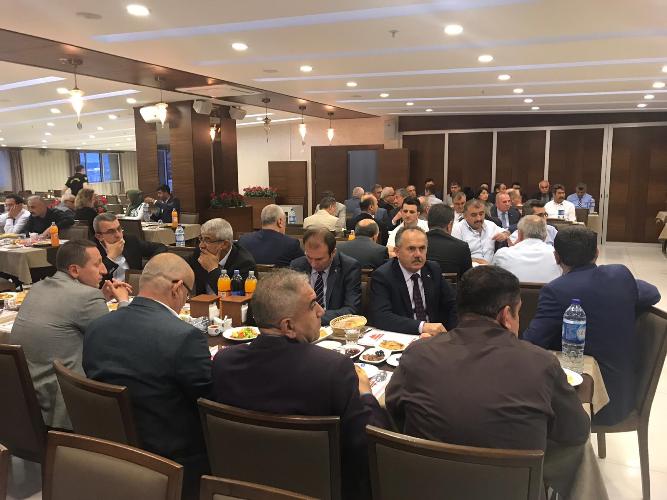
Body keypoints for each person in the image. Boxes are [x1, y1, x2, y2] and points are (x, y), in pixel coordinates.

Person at [385, 266, 592, 498]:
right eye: (518, 313)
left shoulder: (417, 354)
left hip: (425, 488)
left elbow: (393, 411)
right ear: (506, 315)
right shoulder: (542, 363)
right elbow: (577, 431)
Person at [210, 269, 388, 499]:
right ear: (288, 326)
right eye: (313, 305)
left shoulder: (224, 363)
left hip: (242, 488)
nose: (321, 311)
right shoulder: (333, 369)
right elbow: (369, 447)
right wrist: (366, 394)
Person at [83, 254, 211, 499]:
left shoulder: (97, 327)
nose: (185, 299)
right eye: (188, 293)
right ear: (177, 288)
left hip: (109, 444)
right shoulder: (184, 337)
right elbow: (207, 398)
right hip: (170, 454)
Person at [523, 226, 661, 425]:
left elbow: (532, 343)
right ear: (596, 253)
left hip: (583, 399)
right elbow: (653, 294)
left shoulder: (555, 290)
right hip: (623, 396)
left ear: (556, 257)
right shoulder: (619, 275)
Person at [11, 240, 130, 429]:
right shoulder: (87, 296)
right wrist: (123, 302)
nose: (104, 271)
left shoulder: (38, 287)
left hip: (24, 398)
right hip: (63, 402)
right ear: (74, 270)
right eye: (97, 264)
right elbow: (119, 342)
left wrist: (101, 298)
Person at [370, 226, 457, 336]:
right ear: (397, 252)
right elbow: (382, 317)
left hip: (434, 337)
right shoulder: (384, 276)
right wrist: (422, 327)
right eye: (411, 249)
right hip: (403, 337)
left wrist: (452, 335)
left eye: (422, 248)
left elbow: (452, 304)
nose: (418, 254)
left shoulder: (433, 269)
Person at [290, 228, 360, 325]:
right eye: (309, 257)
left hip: (334, 326)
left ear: (333, 253)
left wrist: (312, 317)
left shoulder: (348, 267)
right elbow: (291, 303)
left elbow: (351, 310)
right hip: (302, 326)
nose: (313, 264)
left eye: (319, 259)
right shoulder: (297, 265)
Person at [187, 218, 256, 295]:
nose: (201, 245)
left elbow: (232, 297)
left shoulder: (245, 263)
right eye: (201, 239)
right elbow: (182, 267)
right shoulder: (200, 253)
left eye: (207, 240)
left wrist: (213, 269)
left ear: (224, 244)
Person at [94, 213, 166, 282]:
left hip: (135, 287)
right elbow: (96, 281)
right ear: (99, 237)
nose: (118, 235)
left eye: (119, 229)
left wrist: (149, 266)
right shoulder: (92, 250)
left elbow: (160, 247)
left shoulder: (130, 241)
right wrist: (111, 258)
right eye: (111, 232)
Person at [491, 215, 562, 283]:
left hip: (513, 291)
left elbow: (493, 278)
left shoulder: (503, 254)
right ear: (545, 235)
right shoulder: (558, 255)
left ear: (520, 234)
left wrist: (514, 246)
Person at [237, 204, 304, 267]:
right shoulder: (291, 244)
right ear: (280, 221)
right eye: (285, 222)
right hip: (280, 276)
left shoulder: (243, 240)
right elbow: (304, 266)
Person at [451, 199, 510, 264]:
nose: (478, 218)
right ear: (465, 216)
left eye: (481, 214)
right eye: (474, 215)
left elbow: (507, 232)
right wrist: (479, 261)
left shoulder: (490, 225)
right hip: (470, 268)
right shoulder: (457, 229)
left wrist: (504, 234)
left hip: (492, 267)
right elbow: (456, 256)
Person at [426, 204, 472, 278]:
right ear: (449, 225)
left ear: (428, 222)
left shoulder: (415, 244)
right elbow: (468, 279)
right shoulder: (461, 247)